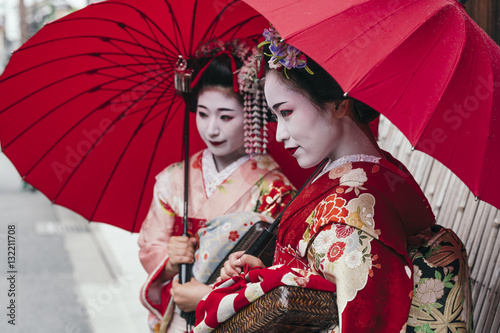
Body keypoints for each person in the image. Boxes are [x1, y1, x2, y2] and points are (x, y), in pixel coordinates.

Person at [195, 26, 472, 332]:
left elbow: (360, 319)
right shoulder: (370, 173)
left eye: (287, 112)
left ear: (340, 104)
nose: (281, 133)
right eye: (275, 117)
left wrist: (278, 284)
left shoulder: (354, 209)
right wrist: (271, 275)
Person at [137, 38, 295, 333]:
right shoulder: (173, 179)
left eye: (225, 116)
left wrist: (209, 295)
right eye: (203, 113)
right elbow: (150, 246)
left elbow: (275, 274)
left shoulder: (275, 190)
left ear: (252, 116)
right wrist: (171, 262)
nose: (211, 128)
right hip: (179, 313)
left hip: (233, 321)